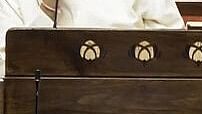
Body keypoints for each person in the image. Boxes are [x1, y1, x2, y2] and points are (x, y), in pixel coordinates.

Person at [0, 0, 184, 77]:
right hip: (42, 110)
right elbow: (7, 70)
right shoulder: (11, 3)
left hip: (130, 99)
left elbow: (172, 42)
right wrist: (47, 9)